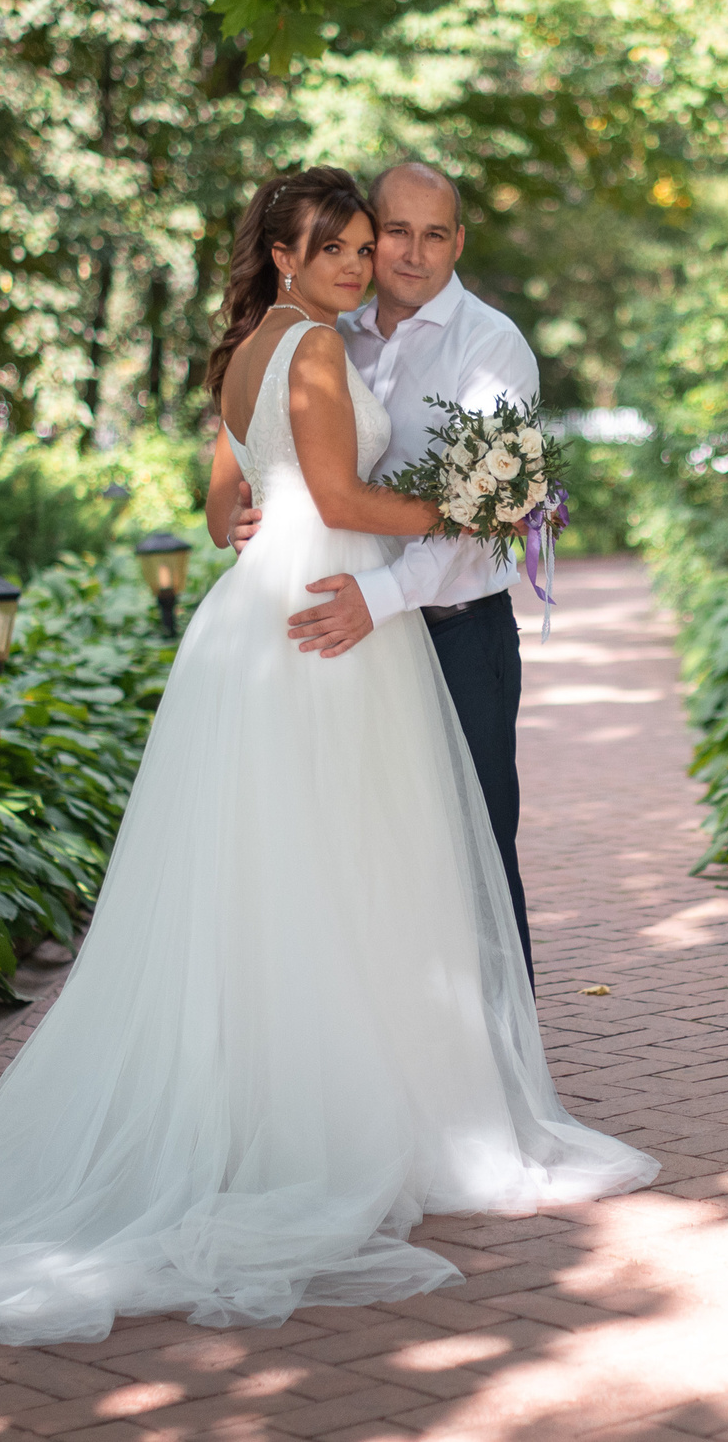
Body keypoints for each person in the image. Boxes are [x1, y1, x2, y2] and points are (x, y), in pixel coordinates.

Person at [0, 167, 654, 1346]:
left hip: (327, 615)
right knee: (349, 860)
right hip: (322, 615)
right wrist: (481, 506)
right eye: (355, 241)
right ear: (295, 254)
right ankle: (346, 1122)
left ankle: (405, 1097)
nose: (377, 257)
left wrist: (291, 516)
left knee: (400, 854)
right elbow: (328, 487)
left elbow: (231, 486)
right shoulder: (327, 344)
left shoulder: (372, 343)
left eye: (401, 238)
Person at [227, 160, 540, 983]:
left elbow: (487, 514)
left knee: (477, 856)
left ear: (458, 242)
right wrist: (247, 515)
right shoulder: (335, 331)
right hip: (352, 643)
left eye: (433, 234)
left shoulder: (491, 346)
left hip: (454, 635)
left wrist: (384, 592)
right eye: (390, 232)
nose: (406, 252)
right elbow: (280, 469)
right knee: (374, 867)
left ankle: (506, 1074)